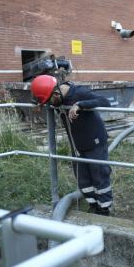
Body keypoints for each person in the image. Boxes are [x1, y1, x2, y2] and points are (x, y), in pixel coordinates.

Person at [30, 75, 113, 216]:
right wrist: (41, 104)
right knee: (82, 178)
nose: (51, 105)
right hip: (77, 145)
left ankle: (104, 208)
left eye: (50, 101)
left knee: (99, 174)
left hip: (95, 142)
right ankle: (93, 205)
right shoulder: (56, 96)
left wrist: (80, 104)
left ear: (56, 93)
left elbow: (105, 101)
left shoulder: (78, 92)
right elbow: (45, 99)